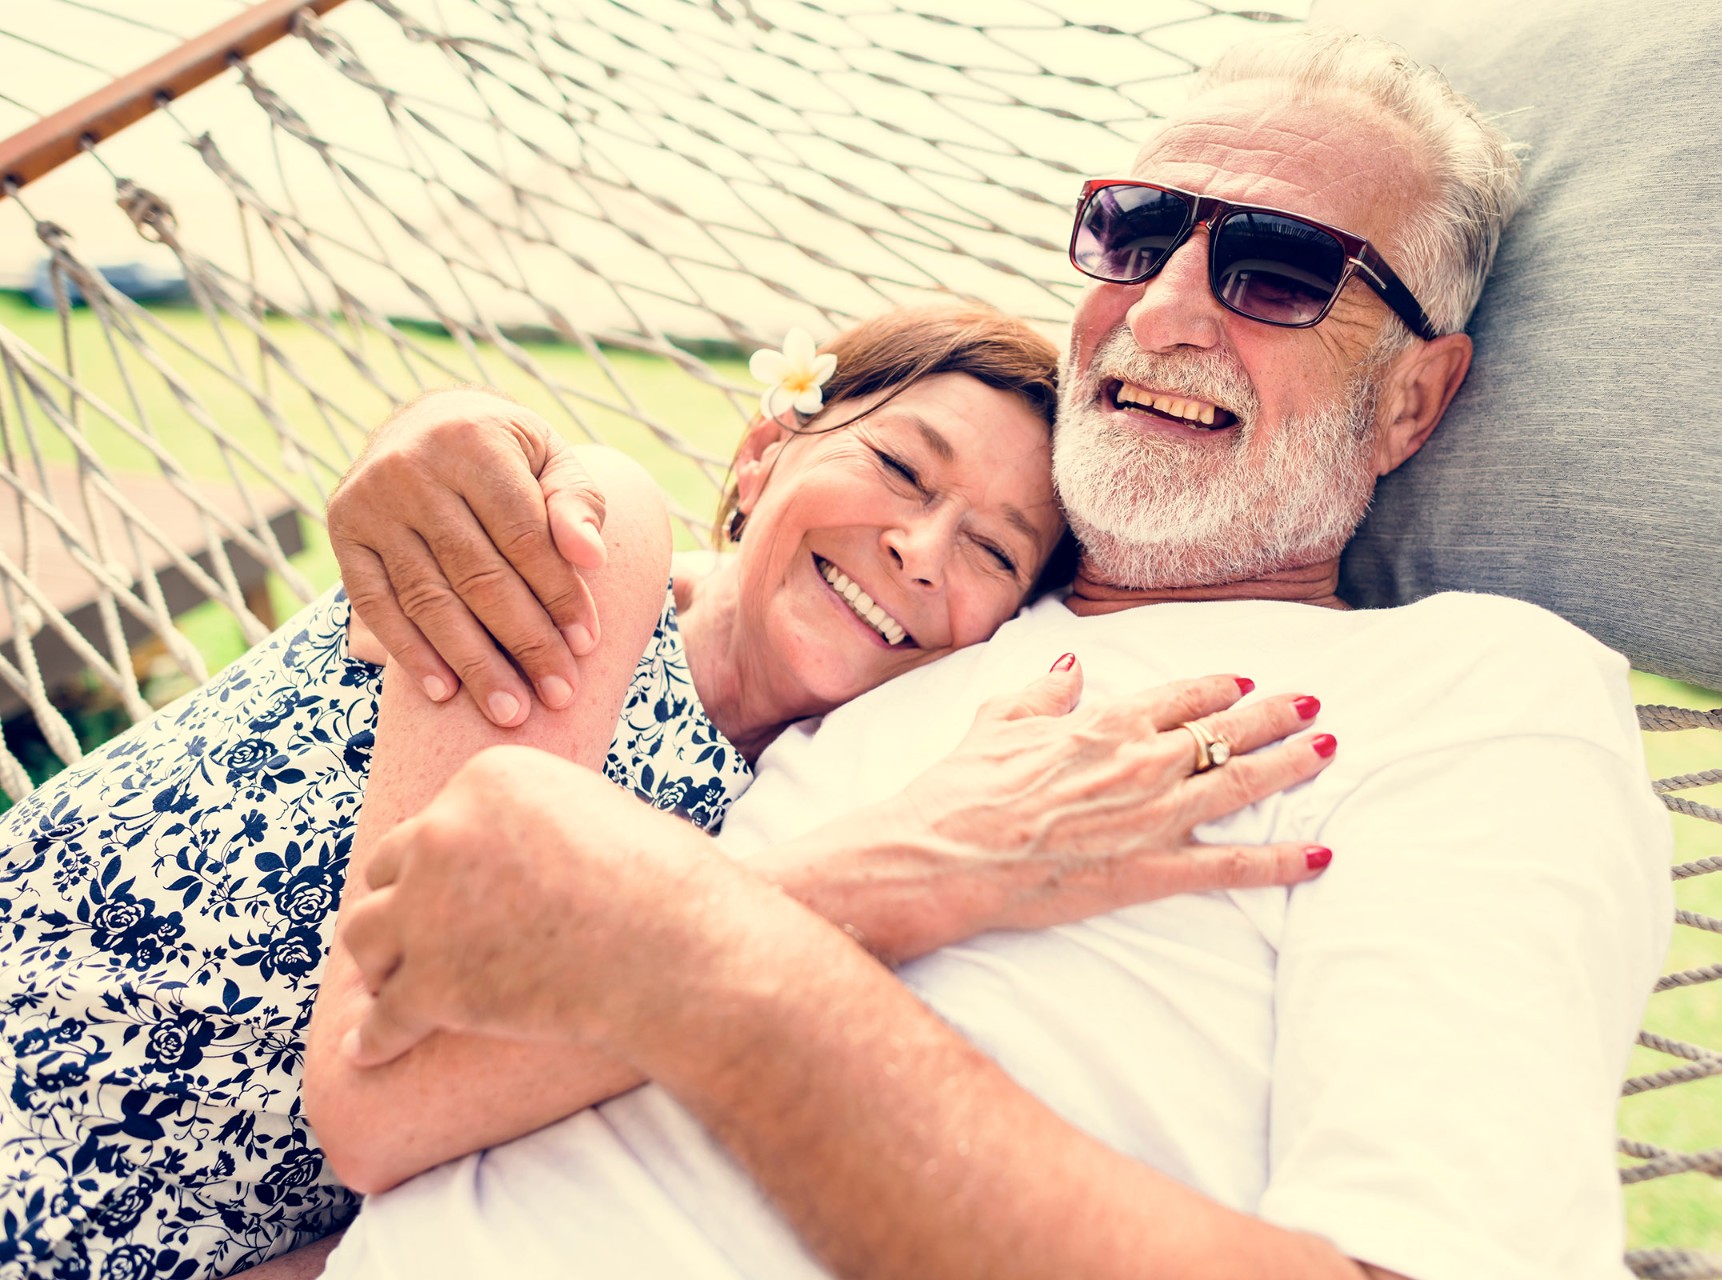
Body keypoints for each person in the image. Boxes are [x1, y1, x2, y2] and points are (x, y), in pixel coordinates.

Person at [306, 29, 1673, 1280]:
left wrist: (708, 964)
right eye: (1134, 236)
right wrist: (456, 437)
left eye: (1282, 270)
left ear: (1414, 398)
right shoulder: (921, 626)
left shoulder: (1479, 695)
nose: (1164, 310)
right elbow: (402, 1074)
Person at [0, 305, 1338, 1280]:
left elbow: (432, 1168)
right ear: (761, 458)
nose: (920, 549)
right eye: (897, 466)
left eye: (991, 547)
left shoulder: (777, 816)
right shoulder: (603, 541)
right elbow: (390, 1037)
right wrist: (920, 862)